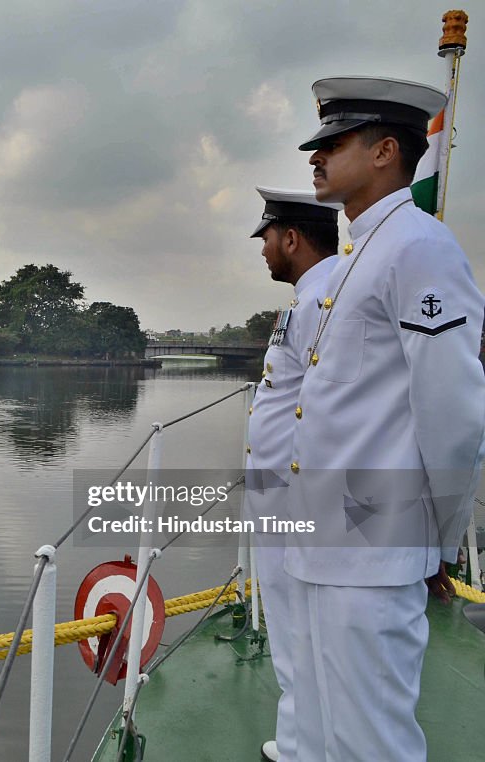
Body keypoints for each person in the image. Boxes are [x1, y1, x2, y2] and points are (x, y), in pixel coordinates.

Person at [286, 76, 485, 761]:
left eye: (332, 144)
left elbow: (452, 410)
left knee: (371, 743)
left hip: (374, 547)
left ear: (385, 151)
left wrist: (441, 536)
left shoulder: (418, 247)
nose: (315, 158)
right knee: (326, 735)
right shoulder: (354, 257)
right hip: (327, 540)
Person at [244, 187, 341, 762]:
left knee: (303, 625)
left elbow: (330, 404)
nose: (262, 252)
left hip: (295, 497)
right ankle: (302, 737)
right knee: (291, 624)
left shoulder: (326, 297)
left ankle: (312, 744)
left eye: (266, 239)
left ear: (291, 238)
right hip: (279, 491)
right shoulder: (309, 299)